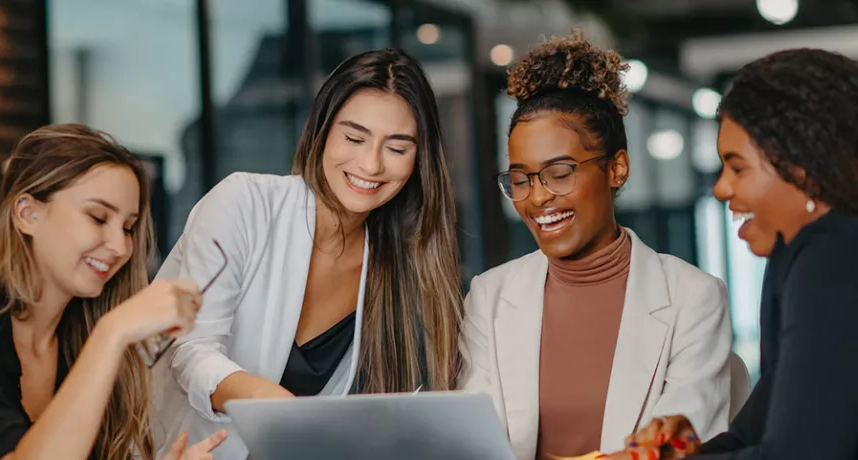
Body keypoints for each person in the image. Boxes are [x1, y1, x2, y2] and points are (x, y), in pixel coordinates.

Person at [151, 48, 463, 460]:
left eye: (397, 148)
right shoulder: (242, 202)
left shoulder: (396, 259)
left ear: (420, 157)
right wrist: (274, 405)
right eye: (354, 138)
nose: (370, 164)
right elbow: (188, 351)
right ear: (321, 131)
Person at [459, 32, 733, 460]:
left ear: (617, 169)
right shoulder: (489, 297)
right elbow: (475, 446)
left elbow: (682, 443)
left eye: (560, 172)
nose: (537, 197)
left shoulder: (692, 297)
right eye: (521, 178)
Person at [603, 48, 858, 460]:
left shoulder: (830, 255)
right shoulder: (798, 258)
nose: (721, 189)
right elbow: (748, 435)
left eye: (737, 169)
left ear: (804, 168)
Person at [0, 124, 226, 459]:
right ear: (28, 214)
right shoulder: (104, 336)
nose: (120, 246)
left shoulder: (80, 334)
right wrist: (113, 332)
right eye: (98, 217)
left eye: (128, 227)